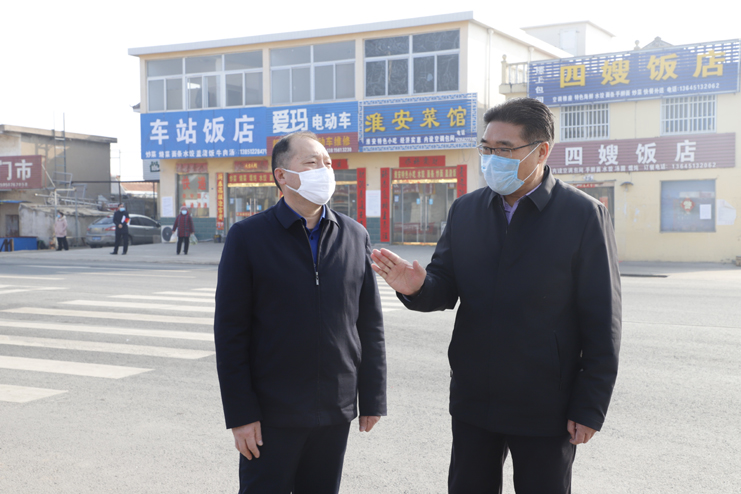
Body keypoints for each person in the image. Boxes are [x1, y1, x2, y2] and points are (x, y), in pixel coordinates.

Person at [371, 98, 621, 494]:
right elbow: (444, 286)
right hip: (475, 396)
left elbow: (602, 318)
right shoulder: (466, 210)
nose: (491, 159)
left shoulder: (582, 215)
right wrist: (416, 287)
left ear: (541, 151)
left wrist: (590, 405)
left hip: (545, 403)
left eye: (504, 149)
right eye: (486, 148)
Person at [214, 131, 386, 494]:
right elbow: (230, 332)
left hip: (335, 409)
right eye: (311, 163)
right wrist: (241, 415)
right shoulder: (248, 237)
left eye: (328, 163)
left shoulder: (354, 235)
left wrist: (372, 398)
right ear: (282, 175)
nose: (324, 170)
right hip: (272, 413)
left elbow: (369, 324)